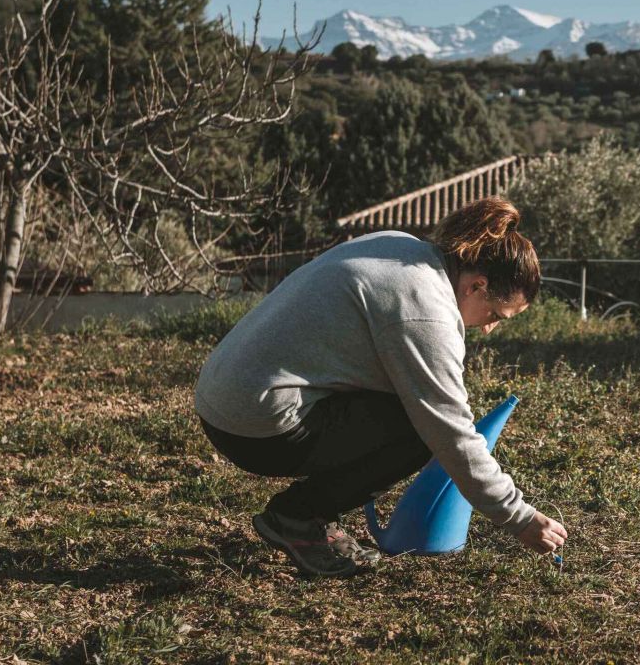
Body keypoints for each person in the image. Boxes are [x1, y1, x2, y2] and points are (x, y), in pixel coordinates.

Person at [194, 196, 567, 577]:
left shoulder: (399, 245)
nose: (489, 327)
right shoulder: (426, 311)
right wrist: (520, 517)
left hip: (219, 397)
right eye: (495, 314)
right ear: (476, 286)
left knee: (412, 404)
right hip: (257, 427)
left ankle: (301, 514)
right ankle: (298, 518)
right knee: (420, 428)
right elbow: (452, 433)